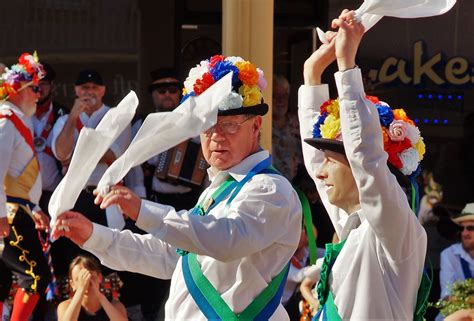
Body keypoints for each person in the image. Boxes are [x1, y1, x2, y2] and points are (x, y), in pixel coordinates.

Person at [52, 55, 302, 320]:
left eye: (229, 125)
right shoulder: (218, 190)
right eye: (207, 126)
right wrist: (93, 235)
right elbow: (170, 255)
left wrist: (142, 210)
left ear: (255, 126)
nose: (216, 136)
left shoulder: (271, 189)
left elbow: (226, 240)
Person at [298, 9, 428, 320]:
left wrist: (347, 67)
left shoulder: (394, 229)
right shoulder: (351, 223)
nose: (320, 171)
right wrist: (312, 73)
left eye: (332, 161)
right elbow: (323, 158)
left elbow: (367, 160)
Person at [50, 69, 131, 277]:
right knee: (74, 255)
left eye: (94, 87)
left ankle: (107, 304)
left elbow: (117, 156)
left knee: (107, 255)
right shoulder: (65, 119)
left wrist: (79, 152)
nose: (90, 92)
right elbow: (60, 153)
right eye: (85, 88)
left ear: (103, 90)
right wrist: (73, 118)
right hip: (75, 197)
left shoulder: (115, 116)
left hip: (104, 197)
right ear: (76, 90)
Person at [0, 52, 51, 321]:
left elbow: (20, 177)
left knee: (4, 277)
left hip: (19, 210)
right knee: (34, 275)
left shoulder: (17, 119)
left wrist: (36, 208)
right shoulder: (6, 120)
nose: (38, 94)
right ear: (17, 90)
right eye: (33, 88)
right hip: (9, 214)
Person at [57, 255, 128, 321]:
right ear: (72, 284)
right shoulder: (65, 306)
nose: (86, 283)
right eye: (79, 279)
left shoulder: (114, 304)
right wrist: (81, 290)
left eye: (90, 277)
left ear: (99, 277)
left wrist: (100, 297)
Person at [439, 203, 474, 299]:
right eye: (462, 228)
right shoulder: (448, 254)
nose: (464, 233)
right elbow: (446, 296)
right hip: (458, 312)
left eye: (470, 228)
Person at [272, 74, 302, 181]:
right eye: (276, 96)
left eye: (284, 96)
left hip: (297, 186)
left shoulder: (297, 124)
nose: (281, 101)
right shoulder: (263, 125)